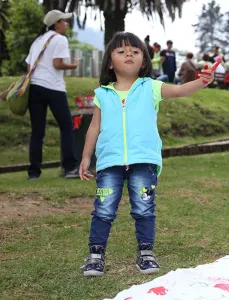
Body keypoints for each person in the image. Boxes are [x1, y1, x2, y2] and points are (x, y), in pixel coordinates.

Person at [78, 32, 215, 277]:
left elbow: (181, 90)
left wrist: (203, 82)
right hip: (109, 163)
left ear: (144, 62)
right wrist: (86, 157)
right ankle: (95, 255)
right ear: (110, 63)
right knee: (104, 209)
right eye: (121, 51)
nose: (128, 53)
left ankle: (146, 253)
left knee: (144, 207)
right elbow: (94, 127)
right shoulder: (102, 94)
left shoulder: (151, 87)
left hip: (145, 163)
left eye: (135, 51)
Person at [25, 10, 79, 180]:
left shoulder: (37, 41)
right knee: (66, 126)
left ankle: (34, 172)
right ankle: (69, 168)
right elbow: (57, 64)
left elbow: (29, 67)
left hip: (35, 88)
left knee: (37, 132)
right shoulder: (60, 39)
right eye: (64, 21)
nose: (67, 24)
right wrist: (73, 66)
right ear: (57, 23)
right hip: (54, 88)